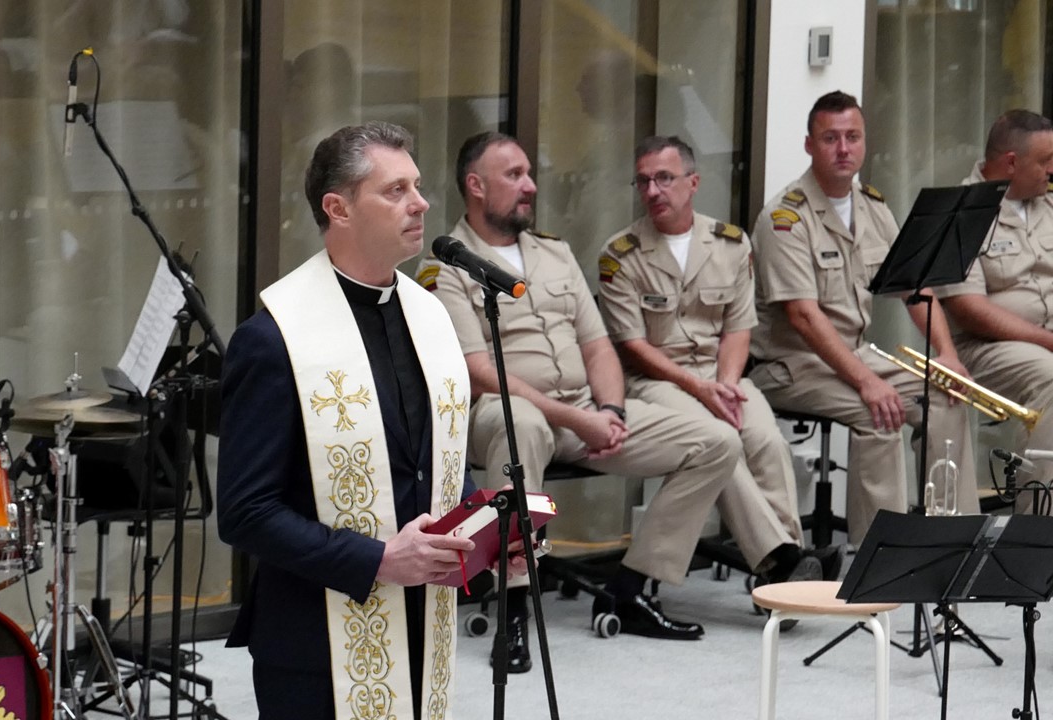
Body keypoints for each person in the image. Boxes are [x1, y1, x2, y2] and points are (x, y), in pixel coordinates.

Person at [416, 132, 820, 665]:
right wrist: (578, 419)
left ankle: (630, 590)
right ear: (476, 185)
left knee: (717, 442)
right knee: (524, 425)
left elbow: (598, 346)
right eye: (514, 175)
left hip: (583, 408)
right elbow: (479, 373)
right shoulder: (446, 266)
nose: (530, 185)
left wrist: (609, 410)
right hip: (502, 412)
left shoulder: (555, 253)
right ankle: (513, 610)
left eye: (528, 173)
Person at [218, 122, 499, 720]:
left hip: (423, 622)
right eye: (396, 190)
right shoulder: (275, 337)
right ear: (338, 208)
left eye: (417, 186)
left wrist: (488, 538)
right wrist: (378, 561)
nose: (420, 203)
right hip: (314, 642)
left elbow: (435, 465)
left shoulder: (428, 316)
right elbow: (245, 512)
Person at [748, 91, 979, 546]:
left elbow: (914, 286)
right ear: (809, 145)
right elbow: (803, 317)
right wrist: (868, 382)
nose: (843, 148)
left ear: (865, 142)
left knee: (946, 397)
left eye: (852, 137)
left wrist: (947, 354)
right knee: (881, 413)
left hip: (852, 356)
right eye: (830, 138)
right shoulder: (785, 217)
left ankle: (951, 540)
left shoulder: (872, 207)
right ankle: (879, 554)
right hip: (788, 366)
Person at [597, 135, 831, 576]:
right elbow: (633, 346)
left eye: (664, 179)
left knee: (766, 441)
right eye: (643, 182)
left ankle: (788, 568)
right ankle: (782, 564)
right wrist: (700, 389)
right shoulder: (620, 254)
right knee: (721, 441)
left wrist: (724, 384)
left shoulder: (731, 244)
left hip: (722, 373)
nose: (653, 191)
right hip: (657, 380)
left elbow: (738, 328)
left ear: (693, 182)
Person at [936, 110, 1053, 512]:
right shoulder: (962, 211)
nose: (1051, 170)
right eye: (1045, 161)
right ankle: (1038, 524)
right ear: (1011, 163)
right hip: (985, 347)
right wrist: (1047, 340)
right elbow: (968, 309)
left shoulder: (1047, 203)